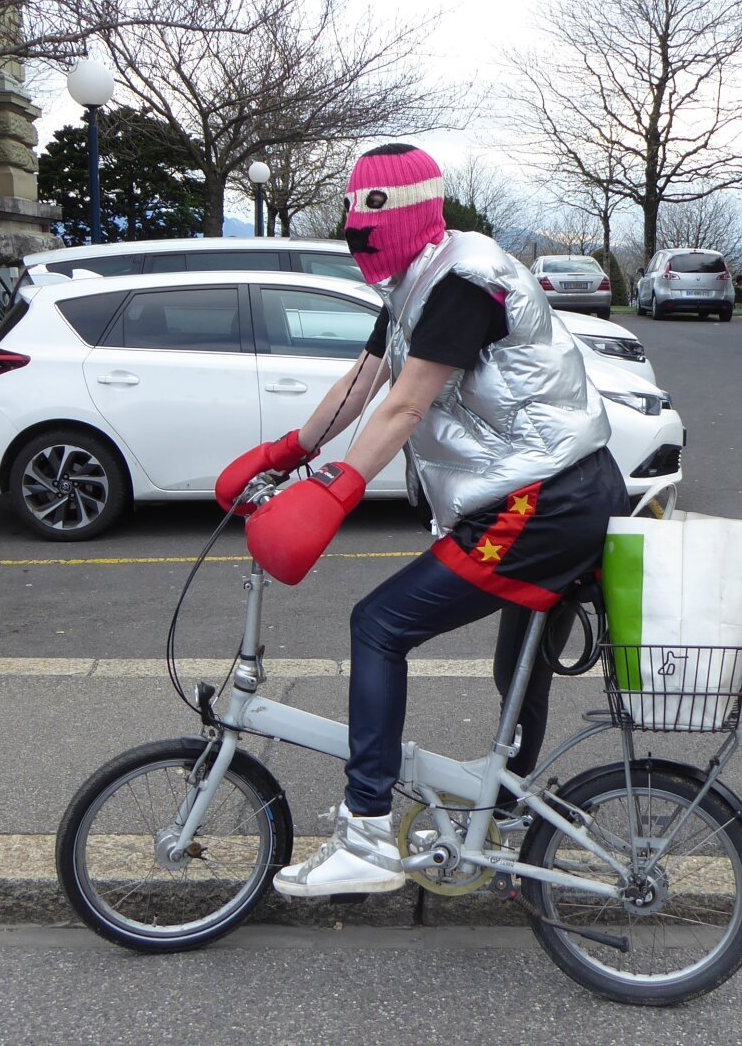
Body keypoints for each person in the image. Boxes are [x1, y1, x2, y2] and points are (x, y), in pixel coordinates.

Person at [214, 144, 629, 898]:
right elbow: (365, 382)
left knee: (379, 625)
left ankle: (368, 831)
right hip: (555, 493)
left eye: (370, 210)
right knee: (517, 669)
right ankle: (499, 819)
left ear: (414, 211)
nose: (353, 226)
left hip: (543, 502)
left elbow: (406, 405)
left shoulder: (464, 282)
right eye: (349, 209)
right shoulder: (412, 285)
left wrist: (337, 491)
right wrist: (289, 450)